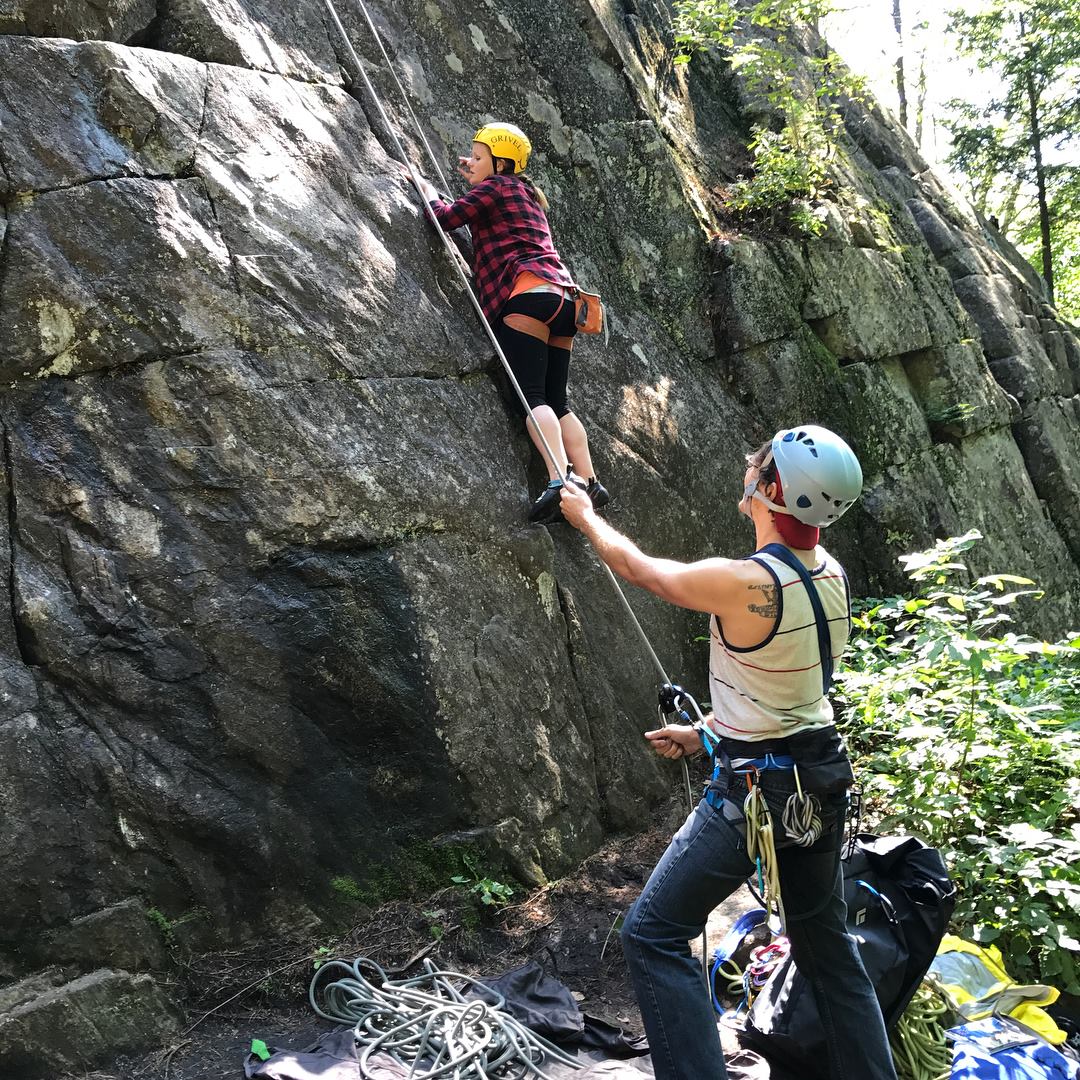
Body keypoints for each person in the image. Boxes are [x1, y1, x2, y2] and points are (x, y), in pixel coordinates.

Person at [559, 425, 898, 1080]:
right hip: (819, 780)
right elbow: (784, 692)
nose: (749, 468)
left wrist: (584, 515)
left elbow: (639, 570)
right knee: (827, 950)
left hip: (754, 796)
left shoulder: (745, 583)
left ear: (771, 489)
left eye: (760, 465)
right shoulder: (831, 577)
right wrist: (707, 732)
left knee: (652, 935)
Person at [401, 123, 609, 524]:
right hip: (565, 299)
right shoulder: (527, 193)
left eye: (478, 157)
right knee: (558, 401)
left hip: (527, 296)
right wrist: (480, 173)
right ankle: (589, 479)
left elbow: (445, 217)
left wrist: (427, 190)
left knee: (533, 397)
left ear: (500, 163)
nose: (470, 162)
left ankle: (559, 480)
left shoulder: (494, 188)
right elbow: (486, 208)